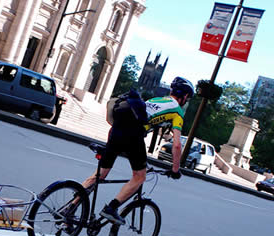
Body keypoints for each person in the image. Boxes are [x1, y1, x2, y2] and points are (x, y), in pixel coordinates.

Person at [79, 77, 194, 225]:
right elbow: (177, 145)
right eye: (187, 98)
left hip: (117, 130)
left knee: (100, 175)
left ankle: (71, 206)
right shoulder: (177, 112)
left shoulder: (157, 100)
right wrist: (175, 170)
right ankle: (111, 209)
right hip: (133, 135)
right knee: (139, 177)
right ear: (184, 96)